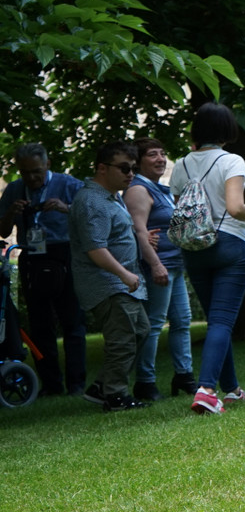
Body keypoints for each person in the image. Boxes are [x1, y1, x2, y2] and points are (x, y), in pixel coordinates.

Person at [172, 103, 245, 414]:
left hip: (194, 248)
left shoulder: (181, 164)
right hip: (231, 245)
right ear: (228, 129)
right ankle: (207, 390)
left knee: (217, 321)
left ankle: (232, 390)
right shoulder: (232, 161)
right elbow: (235, 206)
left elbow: (183, 210)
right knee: (223, 320)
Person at [0, 143, 89, 394]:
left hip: (65, 253)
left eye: (36, 171)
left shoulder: (69, 184)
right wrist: (10, 214)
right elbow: (3, 231)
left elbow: (93, 216)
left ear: (47, 165)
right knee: (41, 325)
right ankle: (51, 385)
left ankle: (76, 384)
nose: (31, 178)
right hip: (32, 256)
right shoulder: (15, 189)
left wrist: (66, 208)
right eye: (25, 172)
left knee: (72, 322)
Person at [70, 142, 151, 411]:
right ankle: (115, 397)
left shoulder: (110, 196)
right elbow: (95, 249)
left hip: (120, 283)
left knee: (140, 330)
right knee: (123, 340)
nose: (130, 174)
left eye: (133, 169)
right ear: (102, 168)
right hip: (109, 284)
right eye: (124, 168)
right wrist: (125, 275)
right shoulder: (93, 201)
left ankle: (100, 387)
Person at [126, 138, 194, 399]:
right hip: (158, 267)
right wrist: (155, 265)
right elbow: (139, 231)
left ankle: (184, 376)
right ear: (138, 161)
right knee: (154, 324)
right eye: (152, 154)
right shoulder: (138, 190)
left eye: (163, 153)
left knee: (182, 321)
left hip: (175, 264)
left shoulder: (160, 188)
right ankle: (145, 382)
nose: (161, 159)